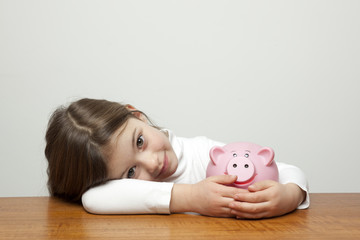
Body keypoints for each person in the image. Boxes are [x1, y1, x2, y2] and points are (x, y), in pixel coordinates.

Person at [45, 98, 309, 219]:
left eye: (140, 141)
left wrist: (289, 196)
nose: (152, 163)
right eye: (130, 173)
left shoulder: (202, 153)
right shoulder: (103, 194)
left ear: (137, 115)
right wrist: (191, 198)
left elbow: (288, 170)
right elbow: (93, 199)